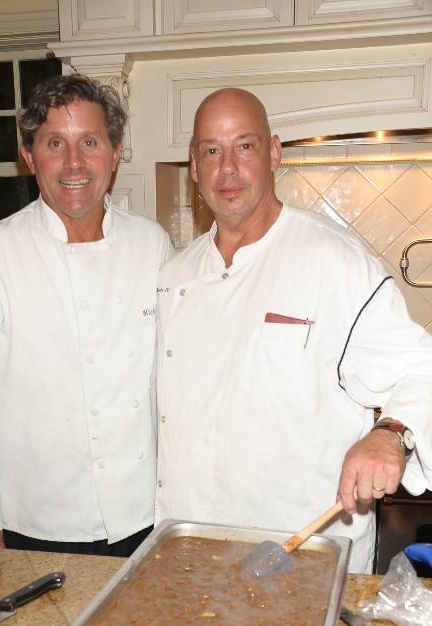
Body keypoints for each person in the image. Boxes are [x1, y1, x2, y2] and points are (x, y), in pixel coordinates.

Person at [155, 87, 432, 573]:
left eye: (245, 146)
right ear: (194, 167)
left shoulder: (335, 260)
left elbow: (420, 370)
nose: (227, 169)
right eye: (211, 151)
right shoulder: (175, 275)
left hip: (303, 553)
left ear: (274, 153)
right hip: (192, 551)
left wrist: (390, 434)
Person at [0, 74, 172, 555]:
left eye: (89, 142)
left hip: (143, 513)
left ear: (115, 151)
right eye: (54, 144)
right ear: (29, 156)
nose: (74, 163)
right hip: (33, 522)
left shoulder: (152, 245)